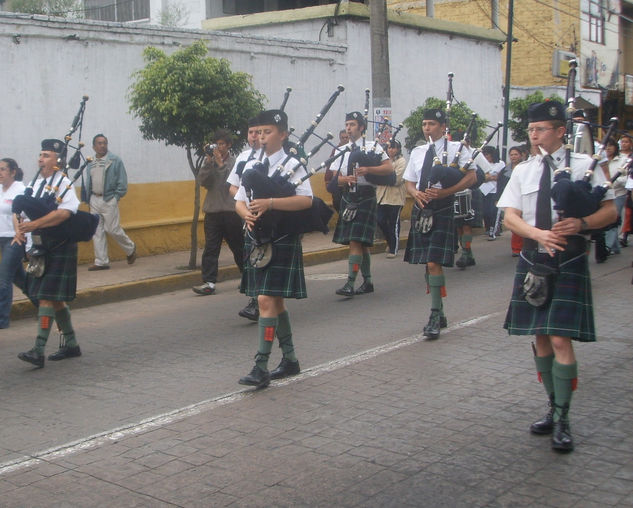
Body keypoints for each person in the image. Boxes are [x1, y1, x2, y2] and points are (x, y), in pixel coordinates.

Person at [498, 101, 617, 452]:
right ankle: (552, 405)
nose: (533, 136)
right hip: (535, 258)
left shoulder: (585, 166)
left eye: (540, 130)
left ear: (561, 131)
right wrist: (537, 235)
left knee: (561, 339)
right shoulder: (523, 170)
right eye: (531, 130)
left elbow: (610, 211)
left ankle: (564, 417)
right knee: (541, 338)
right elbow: (510, 217)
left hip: (569, 258)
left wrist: (582, 223)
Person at [235, 109, 313, 388]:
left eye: (268, 132)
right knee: (275, 302)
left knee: (266, 301)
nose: (262, 137)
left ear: (283, 135)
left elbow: (306, 201)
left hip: (282, 238)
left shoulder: (294, 165)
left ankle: (260, 366)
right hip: (257, 238)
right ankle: (290, 360)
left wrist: (270, 203)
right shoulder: (251, 164)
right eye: (259, 132)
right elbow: (240, 199)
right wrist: (245, 213)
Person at [403, 109, 476, 339]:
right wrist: (415, 194)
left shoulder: (457, 149)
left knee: (434, 261)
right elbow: (409, 181)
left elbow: (472, 177)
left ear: (443, 126)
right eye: (424, 124)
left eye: (431, 123)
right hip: (422, 209)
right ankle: (440, 311)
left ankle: (434, 314)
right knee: (428, 263)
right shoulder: (417, 152)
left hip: (443, 209)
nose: (427, 128)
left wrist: (447, 192)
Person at [16, 139, 85, 368]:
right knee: (55, 301)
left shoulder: (64, 182)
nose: (40, 159)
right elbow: (24, 213)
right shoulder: (35, 185)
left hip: (60, 245)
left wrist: (36, 224)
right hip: (42, 245)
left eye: (46, 155)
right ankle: (72, 344)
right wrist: (21, 229)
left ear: (57, 161)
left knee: (46, 296)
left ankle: (38, 349)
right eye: (40, 154)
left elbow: (65, 214)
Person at [332, 111, 393, 297]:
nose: (348, 128)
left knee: (356, 241)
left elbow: (388, 168)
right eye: (347, 124)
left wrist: (368, 169)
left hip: (366, 195)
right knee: (361, 243)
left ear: (361, 127)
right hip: (348, 196)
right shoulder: (340, 150)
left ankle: (350, 282)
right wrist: (344, 180)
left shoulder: (373, 147)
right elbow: (333, 179)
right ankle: (367, 281)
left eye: (352, 124)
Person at [192, 129, 243, 296]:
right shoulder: (211, 162)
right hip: (213, 211)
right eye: (217, 144)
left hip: (231, 212)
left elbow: (228, 185)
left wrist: (220, 165)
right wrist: (209, 163)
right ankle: (209, 282)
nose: (219, 147)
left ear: (228, 145)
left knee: (238, 247)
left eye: (222, 144)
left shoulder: (236, 163)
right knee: (211, 248)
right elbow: (202, 181)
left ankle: (248, 276)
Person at [81, 134, 136, 271]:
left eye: (104, 143)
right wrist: (88, 198)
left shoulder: (115, 160)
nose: (102, 145)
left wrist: (116, 197)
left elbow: (122, 181)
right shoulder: (90, 162)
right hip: (94, 198)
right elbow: (89, 181)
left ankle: (130, 248)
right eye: (99, 143)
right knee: (97, 230)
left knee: (112, 229)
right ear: (94, 146)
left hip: (109, 198)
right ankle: (101, 262)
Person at [228, 115, 263, 321]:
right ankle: (254, 301)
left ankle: (262, 301)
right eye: (251, 132)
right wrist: (243, 198)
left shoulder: (272, 157)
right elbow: (233, 186)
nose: (254, 136)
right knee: (251, 257)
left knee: (262, 257)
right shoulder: (242, 158)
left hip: (266, 212)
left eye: (259, 132)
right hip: (247, 213)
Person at [0, 158, 28, 328]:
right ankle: (43, 303)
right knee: (20, 278)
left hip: (15, 238)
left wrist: (25, 239)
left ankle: (2, 320)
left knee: (4, 278)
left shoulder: (21, 190)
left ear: (13, 172)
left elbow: (26, 216)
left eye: (3, 169)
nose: (0, 173)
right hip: (1, 237)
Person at [376, 140, 406, 258]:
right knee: (380, 220)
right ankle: (389, 241)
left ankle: (393, 248)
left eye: (393, 148)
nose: (391, 150)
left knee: (393, 223)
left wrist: (382, 176)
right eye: (389, 148)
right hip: (381, 197)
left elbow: (396, 179)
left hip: (395, 198)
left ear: (398, 149)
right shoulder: (383, 161)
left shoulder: (401, 161)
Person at [601, 138, 626, 256]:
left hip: (618, 194)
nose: (608, 148)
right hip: (604, 194)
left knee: (613, 219)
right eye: (606, 146)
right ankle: (615, 246)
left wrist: (613, 181)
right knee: (609, 220)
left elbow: (627, 179)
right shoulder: (600, 160)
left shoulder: (623, 160)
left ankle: (608, 246)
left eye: (611, 146)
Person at [480, 146, 504, 240]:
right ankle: (488, 227)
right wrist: (490, 177)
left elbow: (499, 177)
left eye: (487, 155)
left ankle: (494, 229)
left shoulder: (500, 164)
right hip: (484, 190)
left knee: (493, 211)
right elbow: (481, 177)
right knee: (485, 211)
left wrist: (488, 177)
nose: (486, 157)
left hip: (495, 191)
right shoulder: (482, 164)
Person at [324, 129, 349, 213]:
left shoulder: (354, 149)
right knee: (338, 204)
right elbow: (330, 167)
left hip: (350, 184)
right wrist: (328, 181)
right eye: (343, 138)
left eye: (346, 137)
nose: (345, 139)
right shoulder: (336, 150)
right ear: (340, 139)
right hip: (337, 184)